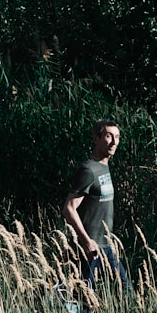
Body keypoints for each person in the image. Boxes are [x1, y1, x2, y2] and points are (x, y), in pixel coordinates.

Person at [63, 119, 130, 293]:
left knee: (126, 292)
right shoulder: (89, 170)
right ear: (96, 139)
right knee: (85, 300)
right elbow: (69, 208)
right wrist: (86, 241)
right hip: (89, 249)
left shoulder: (104, 167)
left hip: (106, 246)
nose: (114, 142)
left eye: (117, 137)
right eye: (109, 136)